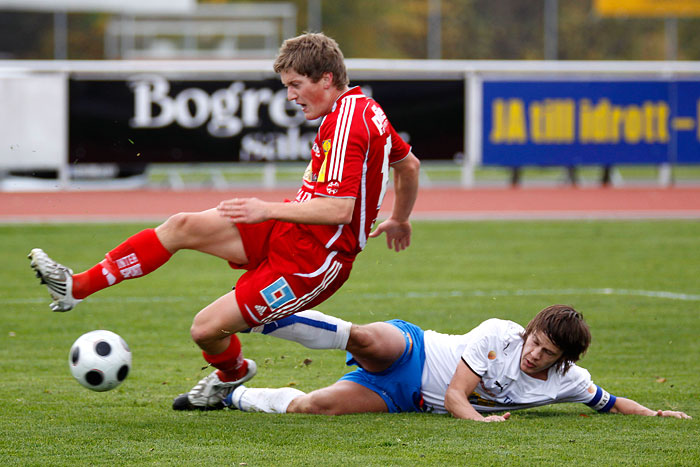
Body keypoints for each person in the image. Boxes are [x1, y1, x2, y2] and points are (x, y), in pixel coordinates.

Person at [27, 32, 421, 411]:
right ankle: (75, 288)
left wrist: (265, 209)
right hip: (292, 229)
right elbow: (409, 165)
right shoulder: (363, 109)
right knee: (182, 225)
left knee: (205, 329)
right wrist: (399, 218)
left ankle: (233, 373)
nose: (291, 96)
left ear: (327, 78)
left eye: (296, 84)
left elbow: (338, 210)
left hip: (314, 261)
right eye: (287, 86)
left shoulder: (348, 122)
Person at [223, 305, 691, 421]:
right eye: (535, 341)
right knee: (366, 338)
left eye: (546, 352)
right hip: (415, 349)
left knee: (313, 408)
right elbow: (454, 395)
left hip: (400, 397)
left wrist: (653, 414)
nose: (533, 353)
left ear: (563, 360)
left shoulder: (568, 381)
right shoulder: (499, 334)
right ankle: (263, 316)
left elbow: (607, 403)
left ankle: (233, 394)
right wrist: (478, 423)